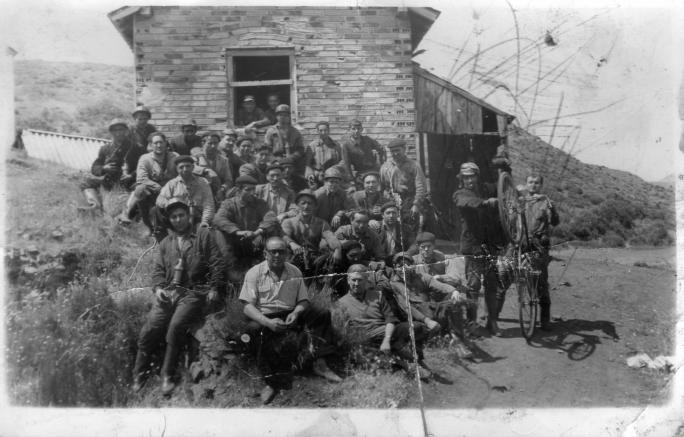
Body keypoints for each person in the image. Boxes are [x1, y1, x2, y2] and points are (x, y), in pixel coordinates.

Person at [132, 198, 225, 395]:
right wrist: (159, 289)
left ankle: (167, 375)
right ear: (169, 220)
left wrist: (214, 287)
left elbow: (217, 262)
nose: (178, 219)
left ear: (188, 215)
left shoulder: (202, 234)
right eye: (173, 217)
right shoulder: (166, 242)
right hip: (168, 293)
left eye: (181, 215)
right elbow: (158, 272)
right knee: (151, 327)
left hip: (193, 292)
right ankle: (138, 374)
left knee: (175, 326)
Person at [240, 237, 342, 404]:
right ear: (265, 254)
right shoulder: (254, 273)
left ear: (287, 253)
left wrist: (296, 312)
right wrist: (268, 322)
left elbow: (303, 300)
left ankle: (320, 364)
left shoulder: (295, 271)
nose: (277, 255)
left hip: (290, 312)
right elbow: (247, 307)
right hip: (264, 315)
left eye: (281, 251)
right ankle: (271, 383)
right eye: (273, 252)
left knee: (322, 314)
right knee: (252, 331)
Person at [337, 264, 432, 380]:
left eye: (360, 280)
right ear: (348, 280)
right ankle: (406, 364)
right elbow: (345, 332)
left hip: (386, 332)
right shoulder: (341, 303)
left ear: (366, 280)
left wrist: (386, 340)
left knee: (417, 327)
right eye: (353, 280)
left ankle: (417, 360)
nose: (356, 284)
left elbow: (390, 319)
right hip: (366, 338)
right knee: (362, 352)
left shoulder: (378, 295)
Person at [452, 161, 506, 335]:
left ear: (477, 176)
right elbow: (468, 202)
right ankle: (472, 323)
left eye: (472, 177)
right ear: (461, 178)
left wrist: (505, 171)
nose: (469, 180)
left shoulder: (485, 188)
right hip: (473, 246)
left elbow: (502, 185)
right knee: (473, 286)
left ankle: (492, 321)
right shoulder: (460, 194)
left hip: (489, 245)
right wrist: (486, 202)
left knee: (492, 284)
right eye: (466, 177)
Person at [388, 252, 472, 358]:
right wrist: (426, 320)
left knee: (454, 301)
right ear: (394, 267)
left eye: (407, 265)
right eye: (400, 266)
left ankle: (458, 340)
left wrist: (454, 291)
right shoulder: (393, 284)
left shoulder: (421, 277)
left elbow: (439, 285)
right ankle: (449, 337)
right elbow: (406, 307)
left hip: (429, 308)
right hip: (416, 315)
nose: (404, 269)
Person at [212, 175, 280, 267]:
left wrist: (258, 232)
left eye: (253, 189)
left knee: (274, 227)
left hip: (254, 240)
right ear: (238, 190)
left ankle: (269, 263)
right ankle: (229, 266)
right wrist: (238, 232)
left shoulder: (260, 203)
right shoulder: (228, 203)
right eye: (248, 190)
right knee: (218, 232)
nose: (252, 193)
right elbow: (219, 219)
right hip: (234, 241)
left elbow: (271, 218)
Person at [520, 174, 559, 330]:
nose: (533, 185)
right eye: (530, 182)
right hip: (521, 243)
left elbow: (555, 221)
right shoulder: (520, 201)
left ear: (541, 185)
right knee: (504, 273)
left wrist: (551, 206)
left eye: (536, 183)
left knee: (541, 280)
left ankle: (545, 319)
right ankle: (492, 317)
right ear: (526, 184)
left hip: (539, 244)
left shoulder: (546, 202)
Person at [117, 132, 178, 229]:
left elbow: (185, 168)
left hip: (172, 189)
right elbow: (142, 178)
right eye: (156, 143)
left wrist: (202, 170)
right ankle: (127, 215)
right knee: (140, 189)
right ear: (151, 145)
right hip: (153, 190)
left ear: (165, 143)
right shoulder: (145, 158)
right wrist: (159, 188)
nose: (159, 145)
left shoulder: (174, 156)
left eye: (161, 142)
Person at [78, 119, 135, 212]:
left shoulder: (135, 147)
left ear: (126, 131)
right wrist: (104, 168)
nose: (118, 133)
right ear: (111, 132)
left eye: (121, 130)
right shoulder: (105, 149)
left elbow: (142, 166)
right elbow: (95, 167)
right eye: (115, 130)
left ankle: (127, 210)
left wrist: (131, 175)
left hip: (127, 181)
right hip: (110, 181)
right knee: (86, 182)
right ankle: (95, 206)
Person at [281, 189, 342, 277]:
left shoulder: (321, 223)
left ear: (315, 206)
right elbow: (283, 236)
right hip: (292, 258)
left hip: (313, 259)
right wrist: (292, 243)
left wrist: (337, 249)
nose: (306, 206)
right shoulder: (288, 222)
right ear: (297, 205)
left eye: (310, 203)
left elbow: (330, 236)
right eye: (303, 203)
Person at [155, 155, 215, 238]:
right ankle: (163, 236)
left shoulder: (203, 183)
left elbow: (208, 204)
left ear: (193, 167)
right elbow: (160, 199)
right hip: (178, 218)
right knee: (155, 210)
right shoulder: (172, 184)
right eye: (181, 167)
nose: (185, 169)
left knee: (203, 236)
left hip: (197, 218)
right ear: (177, 169)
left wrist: (205, 221)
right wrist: (173, 204)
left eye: (188, 166)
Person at [380, 138, 427, 225]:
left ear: (404, 149)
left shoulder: (414, 165)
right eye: (392, 151)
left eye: (398, 150)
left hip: (409, 202)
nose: (395, 153)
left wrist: (416, 205)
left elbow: (421, 187)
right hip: (391, 202)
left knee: (411, 226)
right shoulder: (385, 167)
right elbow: (383, 187)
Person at [264, 104, 306, 176]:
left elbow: (300, 149)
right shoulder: (271, 131)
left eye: (285, 115)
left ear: (289, 116)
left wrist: (292, 158)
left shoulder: (295, 132)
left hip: (292, 161)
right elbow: (267, 149)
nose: (283, 117)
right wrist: (274, 160)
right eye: (280, 115)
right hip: (276, 160)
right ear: (277, 116)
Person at [191, 132, 233, 202]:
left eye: (215, 143)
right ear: (203, 144)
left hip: (217, 193)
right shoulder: (195, 158)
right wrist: (206, 170)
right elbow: (192, 168)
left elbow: (229, 180)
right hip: (199, 193)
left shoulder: (224, 160)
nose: (213, 146)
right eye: (210, 143)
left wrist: (222, 189)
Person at [340, 119, 385, 184]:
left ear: (362, 129)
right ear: (349, 130)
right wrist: (351, 179)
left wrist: (379, 162)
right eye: (353, 129)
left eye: (358, 129)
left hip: (372, 171)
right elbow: (346, 164)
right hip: (359, 173)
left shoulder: (367, 140)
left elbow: (381, 149)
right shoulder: (346, 145)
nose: (356, 131)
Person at [305, 121, 344, 186]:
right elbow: (307, 164)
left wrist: (335, 168)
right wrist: (310, 174)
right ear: (317, 131)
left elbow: (342, 161)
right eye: (321, 130)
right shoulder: (312, 146)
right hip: (317, 177)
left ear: (329, 131)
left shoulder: (336, 145)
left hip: (333, 176)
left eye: (325, 130)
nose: (323, 133)